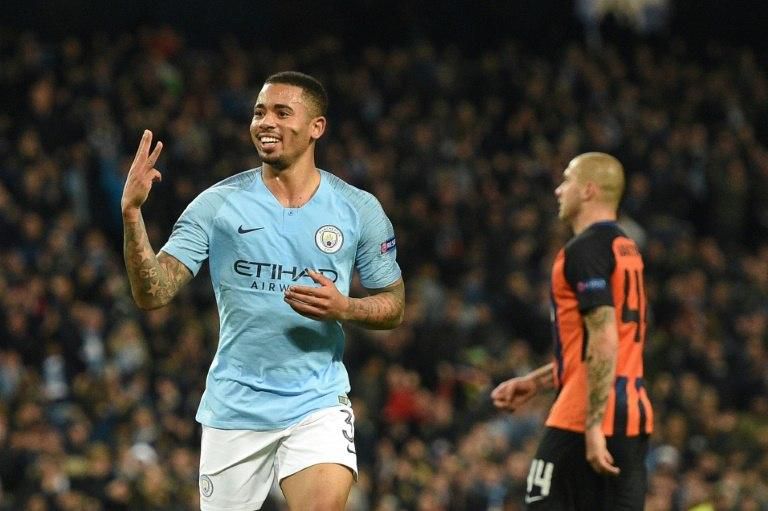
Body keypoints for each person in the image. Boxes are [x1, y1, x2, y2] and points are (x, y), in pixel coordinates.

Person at [121, 71, 405, 511]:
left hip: (317, 401)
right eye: (258, 112)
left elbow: (394, 305)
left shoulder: (358, 209)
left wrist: (345, 306)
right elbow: (153, 292)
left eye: (281, 112)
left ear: (317, 127)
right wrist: (133, 216)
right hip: (234, 407)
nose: (264, 122)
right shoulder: (217, 204)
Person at [491, 153, 652, 510]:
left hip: (584, 415)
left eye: (568, 180)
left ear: (589, 190)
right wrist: (536, 382)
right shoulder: (626, 249)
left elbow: (604, 339)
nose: (559, 189)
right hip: (634, 415)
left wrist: (593, 425)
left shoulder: (584, 250)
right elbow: (605, 345)